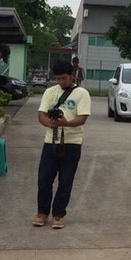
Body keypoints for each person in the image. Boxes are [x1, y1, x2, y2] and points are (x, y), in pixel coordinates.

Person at [35, 59, 90, 229]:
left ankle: (58, 214)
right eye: (57, 78)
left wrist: (66, 123)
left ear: (72, 76)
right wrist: (50, 123)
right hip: (50, 141)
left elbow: (82, 118)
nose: (60, 81)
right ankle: (42, 212)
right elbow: (41, 115)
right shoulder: (50, 92)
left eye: (64, 78)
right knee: (44, 179)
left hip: (72, 142)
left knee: (66, 180)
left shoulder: (82, 93)